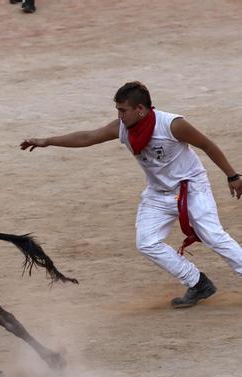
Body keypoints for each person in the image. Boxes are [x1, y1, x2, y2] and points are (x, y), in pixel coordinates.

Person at [20, 81, 242, 308]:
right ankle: (197, 283)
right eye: (118, 110)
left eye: (123, 110)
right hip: (158, 193)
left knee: (213, 236)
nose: (119, 116)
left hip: (191, 187)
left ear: (141, 109)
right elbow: (87, 137)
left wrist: (232, 176)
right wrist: (48, 141)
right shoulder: (122, 128)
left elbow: (206, 144)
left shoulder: (172, 124)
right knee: (146, 242)